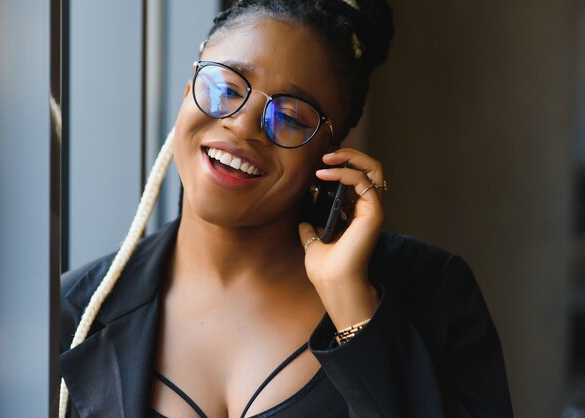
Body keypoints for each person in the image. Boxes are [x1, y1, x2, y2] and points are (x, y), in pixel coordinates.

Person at [59, 0, 513, 417]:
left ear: (333, 153)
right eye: (226, 86)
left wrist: (354, 308)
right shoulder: (73, 311)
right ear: (187, 92)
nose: (242, 125)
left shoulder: (433, 292)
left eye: (292, 117)